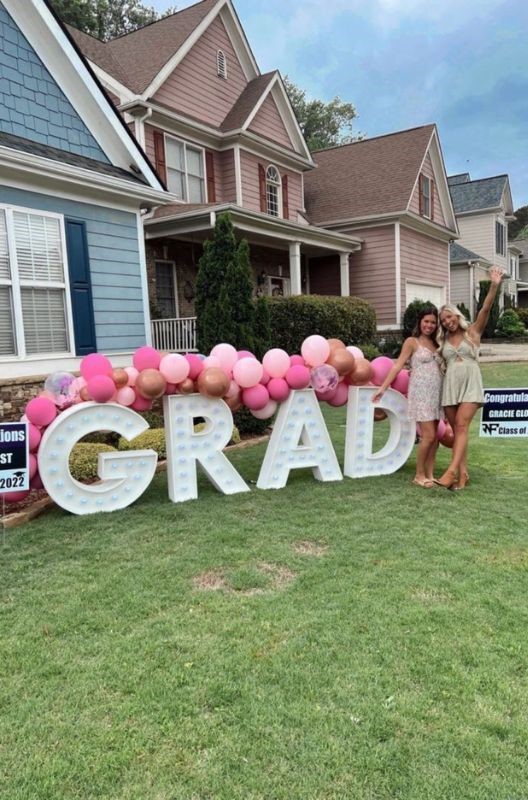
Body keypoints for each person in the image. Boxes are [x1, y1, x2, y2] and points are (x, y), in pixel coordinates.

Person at [434, 266, 504, 489]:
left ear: (457, 315)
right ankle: (463, 476)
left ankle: (451, 471)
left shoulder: (472, 332)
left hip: (471, 385)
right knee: (457, 431)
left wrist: (494, 284)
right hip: (451, 386)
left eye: (449, 317)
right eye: (443, 320)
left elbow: (485, 308)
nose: (446, 322)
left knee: (462, 426)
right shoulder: (442, 342)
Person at [372, 305, 444, 488]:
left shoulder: (438, 344)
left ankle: (430, 473)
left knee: (435, 437)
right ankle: (419, 475)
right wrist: (383, 388)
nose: (429, 325)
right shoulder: (412, 342)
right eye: (426, 321)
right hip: (421, 394)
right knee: (428, 436)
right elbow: (397, 366)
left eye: (433, 322)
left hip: (437, 393)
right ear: (420, 322)